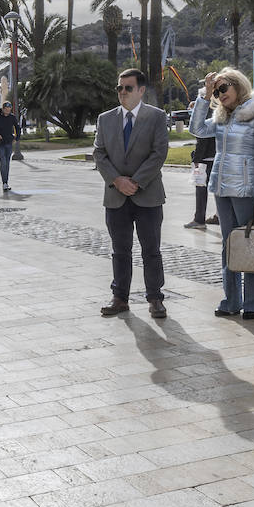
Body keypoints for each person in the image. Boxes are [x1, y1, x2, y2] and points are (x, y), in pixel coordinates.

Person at [193, 68, 254, 321]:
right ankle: (231, 301)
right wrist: (205, 96)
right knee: (229, 246)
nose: (220, 94)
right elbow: (196, 129)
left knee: (252, 245)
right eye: (217, 90)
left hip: (246, 190)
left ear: (238, 86)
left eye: (223, 88)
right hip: (221, 187)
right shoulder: (222, 116)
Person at [94, 69, 171, 319]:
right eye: (119, 88)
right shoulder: (105, 119)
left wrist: (135, 182)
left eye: (128, 88)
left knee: (151, 249)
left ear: (141, 90)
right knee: (120, 250)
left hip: (147, 195)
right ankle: (120, 297)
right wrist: (116, 180)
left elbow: (159, 153)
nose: (123, 93)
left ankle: (155, 298)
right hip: (116, 197)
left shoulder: (156, 117)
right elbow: (99, 153)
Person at [185, 92, 216, 230]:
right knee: (218, 189)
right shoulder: (217, 112)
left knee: (201, 189)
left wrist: (196, 159)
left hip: (205, 159)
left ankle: (199, 219)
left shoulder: (204, 115)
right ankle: (219, 215)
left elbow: (202, 141)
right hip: (216, 156)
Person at [0, 100, 19, 192]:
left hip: (9, 143)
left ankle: (6, 182)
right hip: (0, 144)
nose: (8, 112)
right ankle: (4, 183)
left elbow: (17, 127)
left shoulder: (12, 117)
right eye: (6, 110)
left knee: (7, 163)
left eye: (9, 110)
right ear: (3, 109)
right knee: (3, 162)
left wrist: (16, 137)